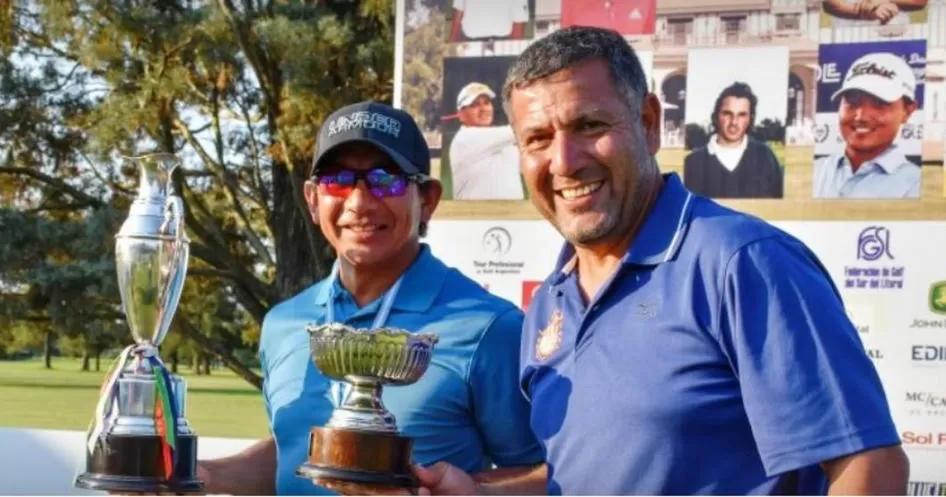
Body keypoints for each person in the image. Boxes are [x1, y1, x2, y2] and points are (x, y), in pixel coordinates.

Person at [389, 26, 909, 495]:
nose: (564, 161)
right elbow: (580, 474)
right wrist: (479, 493)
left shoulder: (743, 263)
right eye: (538, 139)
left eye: (589, 125)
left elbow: (868, 466)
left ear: (649, 123)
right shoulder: (551, 298)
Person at [196, 101, 544, 495]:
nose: (359, 203)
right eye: (338, 180)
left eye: (385, 180)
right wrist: (207, 475)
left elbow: (546, 474)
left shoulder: (490, 327)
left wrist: (474, 492)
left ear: (427, 199)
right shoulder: (283, 322)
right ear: (313, 199)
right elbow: (294, 453)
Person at [812, 52, 921, 199]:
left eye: (879, 103)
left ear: (907, 111)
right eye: (853, 100)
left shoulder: (915, 184)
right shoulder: (815, 170)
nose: (861, 116)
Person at [683, 82, 785, 198]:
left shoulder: (765, 156)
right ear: (716, 116)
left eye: (742, 115)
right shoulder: (692, 162)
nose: (734, 122)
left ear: (750, 119)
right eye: (727, 114)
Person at [448, 82, 524, 200]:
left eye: (487, 103)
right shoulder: (464, 139)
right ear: (461, 115)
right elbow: (522, 129)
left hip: (512, 211)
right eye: (475, 105)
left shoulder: (503, 142)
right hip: (475, 212)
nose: (483, 109)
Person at [822, 0, 928, 26]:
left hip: (895, 34)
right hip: (848, 35)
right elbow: (830, 4)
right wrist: (867, 10)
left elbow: (919, 2)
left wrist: (882, 1)